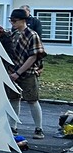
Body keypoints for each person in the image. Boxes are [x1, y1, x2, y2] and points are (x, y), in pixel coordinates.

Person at [7, 8, 47, 139]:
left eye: (14, 21)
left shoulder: (32, 35)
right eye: (11, 20)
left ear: (23, 20)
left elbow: (33, 56)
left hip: (28, 72)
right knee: (13, 99)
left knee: (32, 100)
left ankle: (39, 128)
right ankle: (13, 127)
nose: (12, 23)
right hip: (13, 71)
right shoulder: (12, 34)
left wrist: (18, 72)